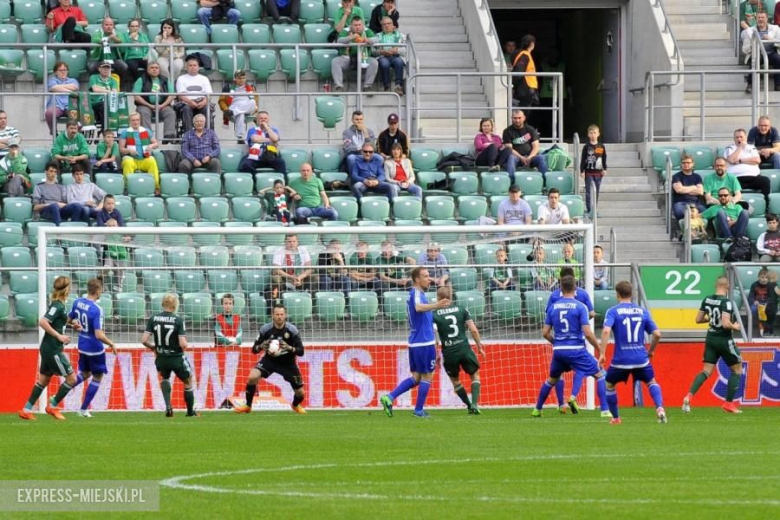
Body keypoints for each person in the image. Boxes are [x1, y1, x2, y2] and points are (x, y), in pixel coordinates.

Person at [532, 275, 607, 418]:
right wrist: (599, 348)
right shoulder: (580, 307)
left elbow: (545, 332)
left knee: (551, 380)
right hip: (576, 350)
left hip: (559, 351)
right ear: (575, 288)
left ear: (560, 288)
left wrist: (557, 343)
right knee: (601, 374)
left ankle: (537, 409)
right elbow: (587, 333)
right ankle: (605, 410)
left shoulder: (553, 307)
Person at [380, 267, 451, 418]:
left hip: (420, 341)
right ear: (417, 279)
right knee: (427, 377)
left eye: (429, 275)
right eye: (425, 276)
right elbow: (418, 308)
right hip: (423, 342)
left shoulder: (420, 295)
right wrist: (436, 305)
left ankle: (389, 397)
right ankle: (418, 411)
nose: (429, 278)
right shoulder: (416, 294)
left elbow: (429, 322)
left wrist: (437, 346)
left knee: (417, 378)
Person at [600, 280, 666, 424]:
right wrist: (651, 351)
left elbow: (605, 331)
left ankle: (616, 418)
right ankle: (660, 408)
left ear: (617, 295)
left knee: (609, 384)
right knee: (651, 381)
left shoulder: (613, 311)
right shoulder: (643, 311)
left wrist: (602, 354)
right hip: (641, 359)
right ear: (632, 294)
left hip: (621, 360)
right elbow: (657, 334)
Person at [18, 276, 82, 421]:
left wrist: (72, 323)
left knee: (43, 381)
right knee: (72, 379)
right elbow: (43, 322)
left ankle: (26, 409)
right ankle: (52, 405)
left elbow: (60, 319)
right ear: (67, 289)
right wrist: (59, 336)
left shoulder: (60, 305)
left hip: (48, 348)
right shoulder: (57, 306)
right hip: (53, 349)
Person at [231, 305, 307, 414]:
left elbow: (301, 351)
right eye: (277, 314)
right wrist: (261, 346)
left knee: (300, 393)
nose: (279, 317)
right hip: (269, 361)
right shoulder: (265, 329)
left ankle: (295, 405)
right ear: (272, 315)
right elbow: (254, 349)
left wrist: (289, 348)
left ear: (285, 315)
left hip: (288, 363)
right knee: (252, 377)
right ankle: (248, 406)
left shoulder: (292, 330)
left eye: (281, 314)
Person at [684, 276, 744, 414]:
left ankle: (689, 396)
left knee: (706, 371)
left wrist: (711, 318)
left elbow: (698, 319)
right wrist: (735, 326)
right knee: (737, 370)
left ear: (715, 285)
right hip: (724, 340)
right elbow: (725, 323)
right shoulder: (727, 302)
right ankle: (728, 403)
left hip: (710, 338)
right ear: (727, 286)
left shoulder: (707, 299)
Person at [141, 293, 198, 417]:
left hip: (161, 357)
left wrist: (153, 348)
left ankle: (168, 406)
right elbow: (183, 344)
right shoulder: (178, 320)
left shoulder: (153, 319)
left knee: (165, 378)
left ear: (162, 304)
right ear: (174, 306)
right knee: (188, 380)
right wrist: (186, 344)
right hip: (176, 357)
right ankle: (190, 412)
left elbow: (144, 340)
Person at [68, 278, 117, 417]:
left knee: (85, 373)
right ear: (98, 291)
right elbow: (98, 334)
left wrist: (75, 324)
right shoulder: (97, 309)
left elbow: (69, 320)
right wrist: (111, 343)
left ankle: (58, 395)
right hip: (95, 348)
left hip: (82, 345)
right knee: (97, 376)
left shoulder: (77, 302)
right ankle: (83, 409)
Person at [433, 285, 485, 414]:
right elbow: (473, 330)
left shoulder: (433, 314)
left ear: (438, 298)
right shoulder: (462, 309)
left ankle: (468, 406)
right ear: (450, 297)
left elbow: (435, 338)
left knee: (455, 381)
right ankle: (474, 404)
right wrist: (479, 346)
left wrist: (436, 354)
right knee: (474, 376)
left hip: (449, 352)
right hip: (464, 349)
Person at [723, 128, 771, 206]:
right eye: (737, 137)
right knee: (729, 186)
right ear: (734, 138)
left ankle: (766, 205)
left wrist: (741, 160)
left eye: (741, 137)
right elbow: (732, 160)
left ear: (746, 137)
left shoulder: (751, 147)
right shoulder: (730, 148)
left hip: (754, 178)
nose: (739, 139)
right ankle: (736, 207)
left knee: (766, 180)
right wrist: (740, 148)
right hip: (736, 179)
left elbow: (757, 160)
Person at [132, 62, 177, 141]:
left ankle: (168, 136)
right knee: (142, 112)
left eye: (156, 68)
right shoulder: (141, 79)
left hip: (163, 105)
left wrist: (162, 105)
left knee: (170, 112)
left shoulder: (165, 80)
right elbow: (136, 96)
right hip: (145, 105)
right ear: (147, 69)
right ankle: (148, 137)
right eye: (152, 68)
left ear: (159, 70)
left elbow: (171, 95)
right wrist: (149, 105)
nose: (154, 69)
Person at [502, 109, 547, 184]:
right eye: (515, 118)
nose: (517, 120)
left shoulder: (530, 129)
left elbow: (536, 146)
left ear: (524, 118)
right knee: (511, 158)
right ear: (512, 118)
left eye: (519, 118)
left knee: (541, 157)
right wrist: (521, 157)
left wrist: (530, 157)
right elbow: (509, 148)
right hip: (517, 158)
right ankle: (511, 183)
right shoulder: (507, 131)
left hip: (531, 157)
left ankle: (545, 182)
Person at [332, 17, 377, 92]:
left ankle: (367, 86)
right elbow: (339, 40)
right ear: (351, 26)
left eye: (359, 25)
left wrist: (368, 40)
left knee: (374, 62)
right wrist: (350, 37)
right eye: (355, 25)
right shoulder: (345, 31)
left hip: (364, 57)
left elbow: (376, 39)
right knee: (335, 61)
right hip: (347, 57)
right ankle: (339, 86)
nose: (357, 27)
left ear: (362, 25)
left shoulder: (367, 31)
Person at [119, 112, 161, 192]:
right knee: (127, 161)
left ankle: (156, 187)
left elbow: (156, 144)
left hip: (144, 158)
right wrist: (129, 150)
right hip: (132, 159)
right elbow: (121, 149)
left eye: (137, 120)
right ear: (130, 122)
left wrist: (151, 146)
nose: (135, 122)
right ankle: (126, 187)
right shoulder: (125, 132)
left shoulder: (146, 131)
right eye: (133, 120)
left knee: (152, 160)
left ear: (140, 121)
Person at [176, 56, 214, 133]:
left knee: (207, 109)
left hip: (202, 101)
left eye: (195, 65)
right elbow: (181, 95)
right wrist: (190, 102)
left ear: (198, 67)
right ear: (186, 67)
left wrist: (204, 102)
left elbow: (209, 94)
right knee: (186, 109)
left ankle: (207, 134)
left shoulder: (204, 79)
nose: (193, 67)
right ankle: (189, 135)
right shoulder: (181, 78)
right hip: (187, 103)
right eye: (190, 65)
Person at [219, 70, 259, 142]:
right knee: (240, 114)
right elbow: (221, 101)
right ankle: (240, 138)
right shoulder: (228, 87)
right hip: (233, 106)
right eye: (239, 78)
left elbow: (256, 102)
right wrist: (225, 109)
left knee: (253, 102)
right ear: (235, 78)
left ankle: (234, 112)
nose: (241, 80)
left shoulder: (251, 88)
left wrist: (256, 112)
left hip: (246, 108)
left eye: (243, 78)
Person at [372, 16, 406, 95]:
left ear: (393, 24)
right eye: (384, 24)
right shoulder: (377, 36)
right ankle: (386, 85)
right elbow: (373, 51)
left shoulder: (401, 36)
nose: (386, 25)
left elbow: (405, 49)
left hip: (396, 56)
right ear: (381, 26)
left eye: (388, 23)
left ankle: (398, 86)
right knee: (384, 64)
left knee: (399, 62)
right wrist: (381, 51)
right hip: (383, 56)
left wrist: (396, 50)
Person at [580, 124, 607, 216]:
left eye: (594, 133)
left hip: (598, 173)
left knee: (596, 191)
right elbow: (583, 159)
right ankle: (589, 210)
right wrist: (582, 171)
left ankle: (594, 210)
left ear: (598, 134)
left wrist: (605, 169)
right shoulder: (586, 147)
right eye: (591, 133)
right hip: (588, 173)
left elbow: (604, 158)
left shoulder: (601, 146)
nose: (593, 135)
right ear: (588, 134)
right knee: (589, 191)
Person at [45, 62, 79, 135]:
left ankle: (71, 135)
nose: (63, 72)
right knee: (49, 113)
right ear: (56, 72)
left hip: (70, 105)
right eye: (60, 70)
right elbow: (53, 88)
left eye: (65, 70)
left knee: (79, 115)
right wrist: (69, 90)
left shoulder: (73, 80)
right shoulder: (52, 80)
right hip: (56, 105)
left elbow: (75, 87)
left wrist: (59, 87)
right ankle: (54, 133)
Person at [671, 154, 706, 221]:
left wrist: (683, 188)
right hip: (681, 202)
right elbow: (678, 190)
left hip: (696, 203)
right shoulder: (676, 176)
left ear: (692, 164)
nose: (686, 164)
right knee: (679, 212)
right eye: (684, 163)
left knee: (705, 212)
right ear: (681, 164)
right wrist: (693, 187)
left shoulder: (697, 177)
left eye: (688, 163)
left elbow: (700, 192)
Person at [88, 61, 120, 131]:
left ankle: (115, 131)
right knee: (105, 106)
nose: (106, 70)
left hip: (109, 103)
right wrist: (108, 90)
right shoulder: (93, 77)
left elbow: (115, 91)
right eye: (104, 68)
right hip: (95, 103)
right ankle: (105, 131)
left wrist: (102, 89)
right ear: (99, 69)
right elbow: (95, 89)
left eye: (108, 68)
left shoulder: (113, 80)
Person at [748, 268, 780, 337]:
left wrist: (766, 304)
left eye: (766, 277)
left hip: (767, 305)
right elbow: (750, 297)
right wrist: (754, 301)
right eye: (762, 277)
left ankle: (768, 331)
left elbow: (773, 297)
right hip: (757, 304)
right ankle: (760, 326)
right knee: (754, 309)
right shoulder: (754, 285)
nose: (764, 279)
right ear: (758, 277)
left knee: (770, 310)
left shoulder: (771, 285)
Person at [511, 34, 539, 113]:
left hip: (526, 88)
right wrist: (513, 86)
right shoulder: (524, 55)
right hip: (525, 88)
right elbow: (518, 72)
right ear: (532, 44)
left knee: (523, 112)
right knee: (523, 113)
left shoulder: (524, 54)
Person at [102, 217, 128, 292]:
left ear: (117, 226)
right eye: (109, 226)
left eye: (114, 225)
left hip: (121, 255)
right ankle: (106, 269)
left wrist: (127, 239)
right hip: (111, 254)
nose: (112, 227)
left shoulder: (120, 234)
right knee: (108, 263)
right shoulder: (106, 234)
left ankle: (119, 285)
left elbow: (129, 238)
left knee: (119, 270)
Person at [121, 19, 150, 85]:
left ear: (139, 27)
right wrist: (129, 38)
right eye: (132, 26)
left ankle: (147, 84)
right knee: (133, 66)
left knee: (150, 66)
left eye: (136, 26)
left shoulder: (143, 36)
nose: (135, 28)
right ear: (129, 27)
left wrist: (146, 55)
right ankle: (138, 84)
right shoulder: (124, 36)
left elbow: (148, 48)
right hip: (130, 57)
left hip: (142, 57)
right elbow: (122, 49)